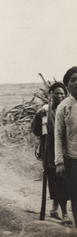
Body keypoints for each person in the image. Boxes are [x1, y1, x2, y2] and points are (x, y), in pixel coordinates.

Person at [33, 82, 72, 225]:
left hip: (67, 151)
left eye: (62, 93)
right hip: (51, 154)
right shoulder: (45, 111)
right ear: (51, 94)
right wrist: (39, 117)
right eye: (57, 93)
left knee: (63, 182)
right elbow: (37, 131)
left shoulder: (69, 109)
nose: (60, 96)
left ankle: (55, 209)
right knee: (58, 181)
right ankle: (65, 214)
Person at [55, 66, 77, 228]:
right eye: (73, 80)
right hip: (73, 160)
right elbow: (58, 135)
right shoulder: (64, 107)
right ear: (67, 84)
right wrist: (59, 162)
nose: (76, 83)